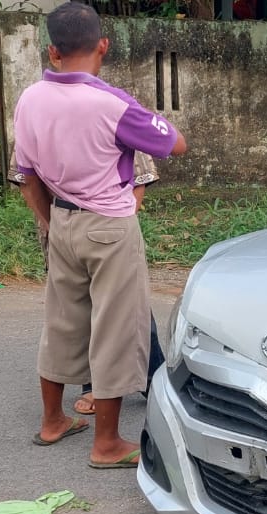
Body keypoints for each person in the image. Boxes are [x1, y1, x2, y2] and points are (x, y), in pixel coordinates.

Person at [12, 1, 185, 468]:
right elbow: (175, 143)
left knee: (62, 321)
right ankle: (107, 444)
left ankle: (53, 421)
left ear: (52, 51)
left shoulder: (29, 99)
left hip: (60, 222)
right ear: (103, 45)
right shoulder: (111, 103)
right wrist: (133, 108)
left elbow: (25, 175)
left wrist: (51, 221)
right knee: (114, 328)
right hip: (109, 224)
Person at [75, 150, 164, 415]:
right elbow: (28, 179)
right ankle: (92, 385)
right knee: (83, 307)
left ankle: (154, 380)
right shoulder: (42, 117)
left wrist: (122, 223)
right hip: (66, 229)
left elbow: (140, 177)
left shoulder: (116, 113)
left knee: (133, 307)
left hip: (113, 229)